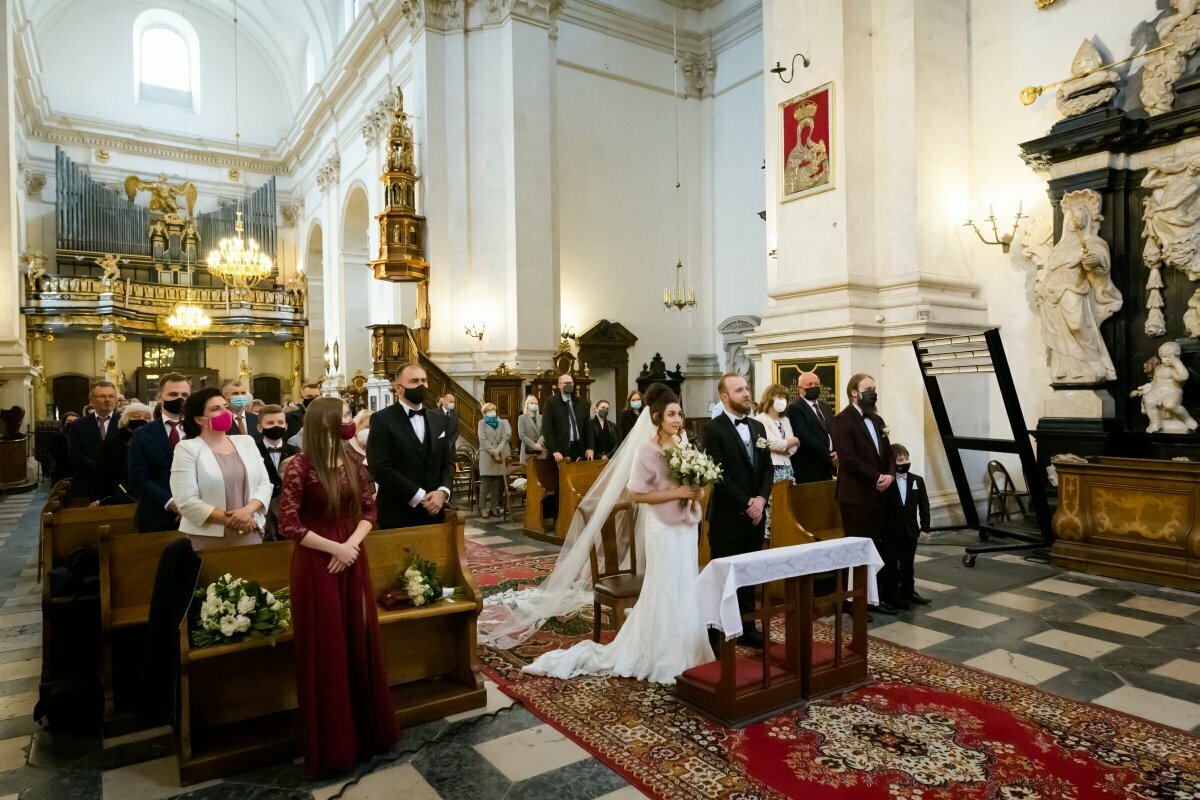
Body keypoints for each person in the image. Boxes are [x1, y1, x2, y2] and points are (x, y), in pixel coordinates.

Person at [521, 385, 712, 683]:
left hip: (686, 527)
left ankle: (690, 647)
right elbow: (638, 494)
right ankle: (663, 652)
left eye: (680, 414)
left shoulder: (684, 444)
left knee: (686, 582)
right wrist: (678, 492)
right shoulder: (648, 449)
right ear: (658, 417)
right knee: (665, 584)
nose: (678, 420)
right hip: (662, 527)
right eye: (671, 414)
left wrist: (696, 489)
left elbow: (689, 482)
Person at [277, 398, 398, 775]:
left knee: (357, 640)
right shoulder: (299, 465)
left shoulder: (352, 461)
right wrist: (336, 548)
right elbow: (289, 524)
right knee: (327, 646)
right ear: (326, 423)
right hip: (318, 559)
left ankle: (366, 733)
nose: (350, 421)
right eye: (345, 416)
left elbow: (369, 510)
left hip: (351, 553)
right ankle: (334, 743)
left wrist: (352, 546)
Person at [702, 373, 774, 648]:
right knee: (725, 575)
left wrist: (761, 500)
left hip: (756, 513)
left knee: (749, 573)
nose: (746, 393)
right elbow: (718, 475)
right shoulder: (714, 429)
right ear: (725, 397)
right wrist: (747, 503)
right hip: (727, 516)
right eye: (740, 390)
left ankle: (748, 627)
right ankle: (717, 630)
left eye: (747, 388)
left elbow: (767, 468)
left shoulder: (757, 427)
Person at [170, 387, 273, 551]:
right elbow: (186, 501)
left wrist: (247, 512)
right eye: (215, 409)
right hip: (208, 536)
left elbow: (264, 484)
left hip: (250, 529)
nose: (225, 412)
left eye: (225, 407)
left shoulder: (246, 442)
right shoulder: (188, 448)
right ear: (199, 419)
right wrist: (233, 520)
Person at [832, 372, 899, 612]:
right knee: (856, 548)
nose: (873, 392)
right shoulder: (842, 420)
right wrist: (875, 477)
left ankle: (873, 597)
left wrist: (890, 474)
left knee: (875, 546)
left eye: (874, 388)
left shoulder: (878, 420)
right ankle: (851, 601)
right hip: (855, 495)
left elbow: (888, 451)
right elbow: (848, 458)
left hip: (878, 494)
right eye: (868, 388)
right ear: (854, 392)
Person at [366, 364, 454, 528]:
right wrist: (419, 496)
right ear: (398, 388)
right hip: (397, 512)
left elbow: (447, 463)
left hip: (434, 511)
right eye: (414, 381)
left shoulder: (439, 420)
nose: (421, 385)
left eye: (424, 380)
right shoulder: (382, 420)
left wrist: (442, 492)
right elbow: (380, 467)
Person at [128, 373, 191, 532]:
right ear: (159, 397)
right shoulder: (142, 434)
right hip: (156, 515)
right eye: (173, 394)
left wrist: (192, 506)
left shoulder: (200, 431)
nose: (180, 399)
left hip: (195, 514)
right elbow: (139, 478)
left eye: (184, 395)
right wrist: (172, 504)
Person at [887, 443, 931, 608]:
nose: (905, 462)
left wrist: (925, 527)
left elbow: (924, 505)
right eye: (900, 459)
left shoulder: (917, 480)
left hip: (910, 530)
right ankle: (892, 594)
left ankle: (909, 591)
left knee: (908, 563)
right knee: (891, 563)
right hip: (891, 530)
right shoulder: (887, 480)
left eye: (906, 458)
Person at [754, 383, 798, 540]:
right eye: (779, 396)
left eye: (785, 398)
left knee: (788, 506)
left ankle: (785, 535)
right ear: (769, 397)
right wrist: (790, 442)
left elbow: (793, 449)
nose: (783, 400)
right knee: (773, 507)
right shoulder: (760, 419)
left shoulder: (785, 420)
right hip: (773, 468)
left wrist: (786, 445)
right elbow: (772, 443)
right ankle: (770, 538)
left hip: (787, 468)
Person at [91, 403, 153, 505]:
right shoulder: (111, 444)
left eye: (147, 418)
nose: (142, 420)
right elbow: (101, 473)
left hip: (148, 496)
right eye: (136, 416)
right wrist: (99, 498)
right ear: (126, 418)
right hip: (118, 496)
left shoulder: (155, 442)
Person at [67, 381, 120, 498]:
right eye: (102, 396)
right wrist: (100, 467)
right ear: (91, 400)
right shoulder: (78, 426)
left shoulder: (124, 423)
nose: (107, 399)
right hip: (88, 484)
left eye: (111, 396)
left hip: (118, 486)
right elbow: (75, 454)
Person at [785, 371, 836, 483]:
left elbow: (833, 431)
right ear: (800, 389)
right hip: (809, 468)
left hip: (828, 466)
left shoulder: (825, 407)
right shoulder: (795, 408)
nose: (814, 387)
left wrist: (837, 452)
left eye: (816, 384)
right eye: (809, 385)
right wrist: (830, 455)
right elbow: (804, 436)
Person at [257, 404, 297, 541]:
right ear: (259, 427)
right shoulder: (252, 451)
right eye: (270, 423)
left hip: (290, 508)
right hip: (263, 509)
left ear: (286, 426)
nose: (276, 426)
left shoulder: (296, 451)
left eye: (280, 422)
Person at [542, 374, 594, 462]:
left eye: (571, 383)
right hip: (560, 450)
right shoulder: (551, 403)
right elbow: (547, 429)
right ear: (559, 385)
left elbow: (587, 427)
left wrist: (590, 447)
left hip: (579, 448)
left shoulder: (581, 402)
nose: (569, 385)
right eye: (566, 383)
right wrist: (554, 450)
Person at [477, 403, 511, 519]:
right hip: (487, 455)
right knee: (486, 483)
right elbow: (482, 440)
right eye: (489, 410)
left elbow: (503, 438)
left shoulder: (500, 422)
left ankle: (493, 507)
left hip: (499, 453)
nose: (492, 411)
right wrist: (493, 451)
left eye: (493, 409)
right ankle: (482, 507)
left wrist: (499, 450)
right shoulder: (482, 423)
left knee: (496, 483)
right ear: (485, 412)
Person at [49, 413, 79, 486]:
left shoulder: (83, 436)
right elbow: (57, 456)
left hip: (79, 473)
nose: (72, 422)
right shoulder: (58, 437)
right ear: (64, 423)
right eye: (69, 420)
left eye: (75, 420)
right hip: (64, 473)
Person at [517, 395, 545, 461]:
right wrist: (534, 445)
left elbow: (545, 433)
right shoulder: (522, 417)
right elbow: (522, 435)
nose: (534, 405)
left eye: (536, 403)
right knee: (528, 470)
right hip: (527, 450)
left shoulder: (541, 417)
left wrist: (539, 443)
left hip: (540, 449)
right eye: (532, 403)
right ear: (527, 405)